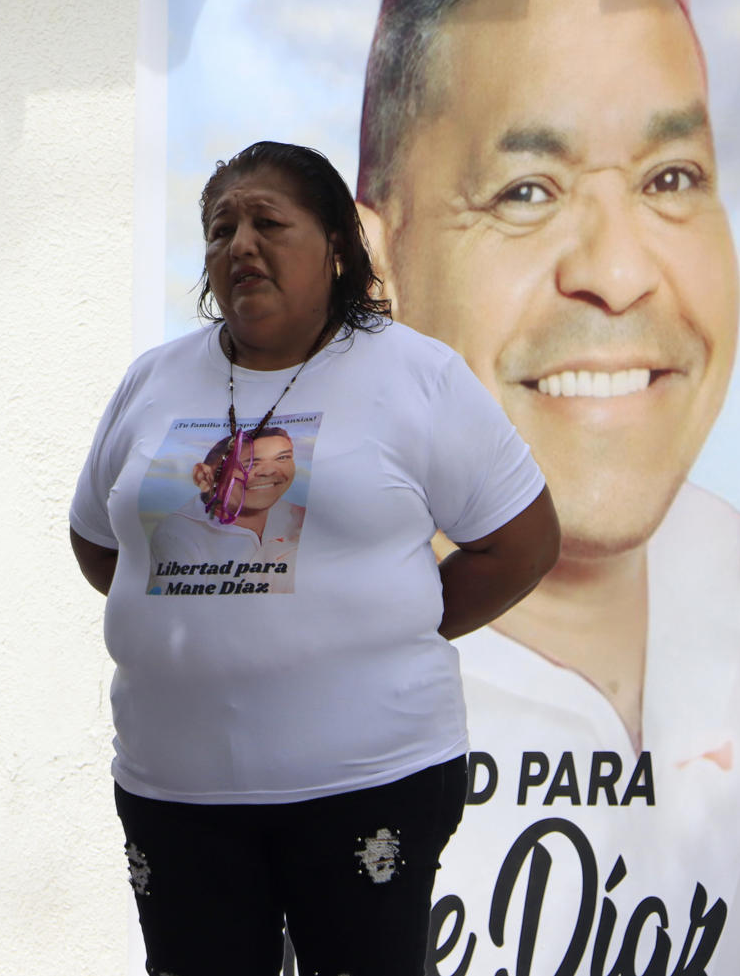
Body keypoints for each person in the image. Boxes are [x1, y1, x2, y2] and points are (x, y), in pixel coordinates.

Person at [354, 0, 740, 956]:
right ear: (378, 262)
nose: (618, 269)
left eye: (669, 179)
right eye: (526, 190)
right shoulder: (307, 668)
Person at [71, 140, 559, 974]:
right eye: (221, 228)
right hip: (175, 787)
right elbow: (100, 541)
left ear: (336, 245)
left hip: (367, 781)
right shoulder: (154, 380)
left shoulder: (414, 374)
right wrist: (195, 609)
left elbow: (520, 541)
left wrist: (389, 622)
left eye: (269, 221)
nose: (241, 245)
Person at [146, 426, 305, 576]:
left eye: (282, 458)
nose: (270, 471)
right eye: (249, 464)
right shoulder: (177, 534)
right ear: (203, 476)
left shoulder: (299, 517)